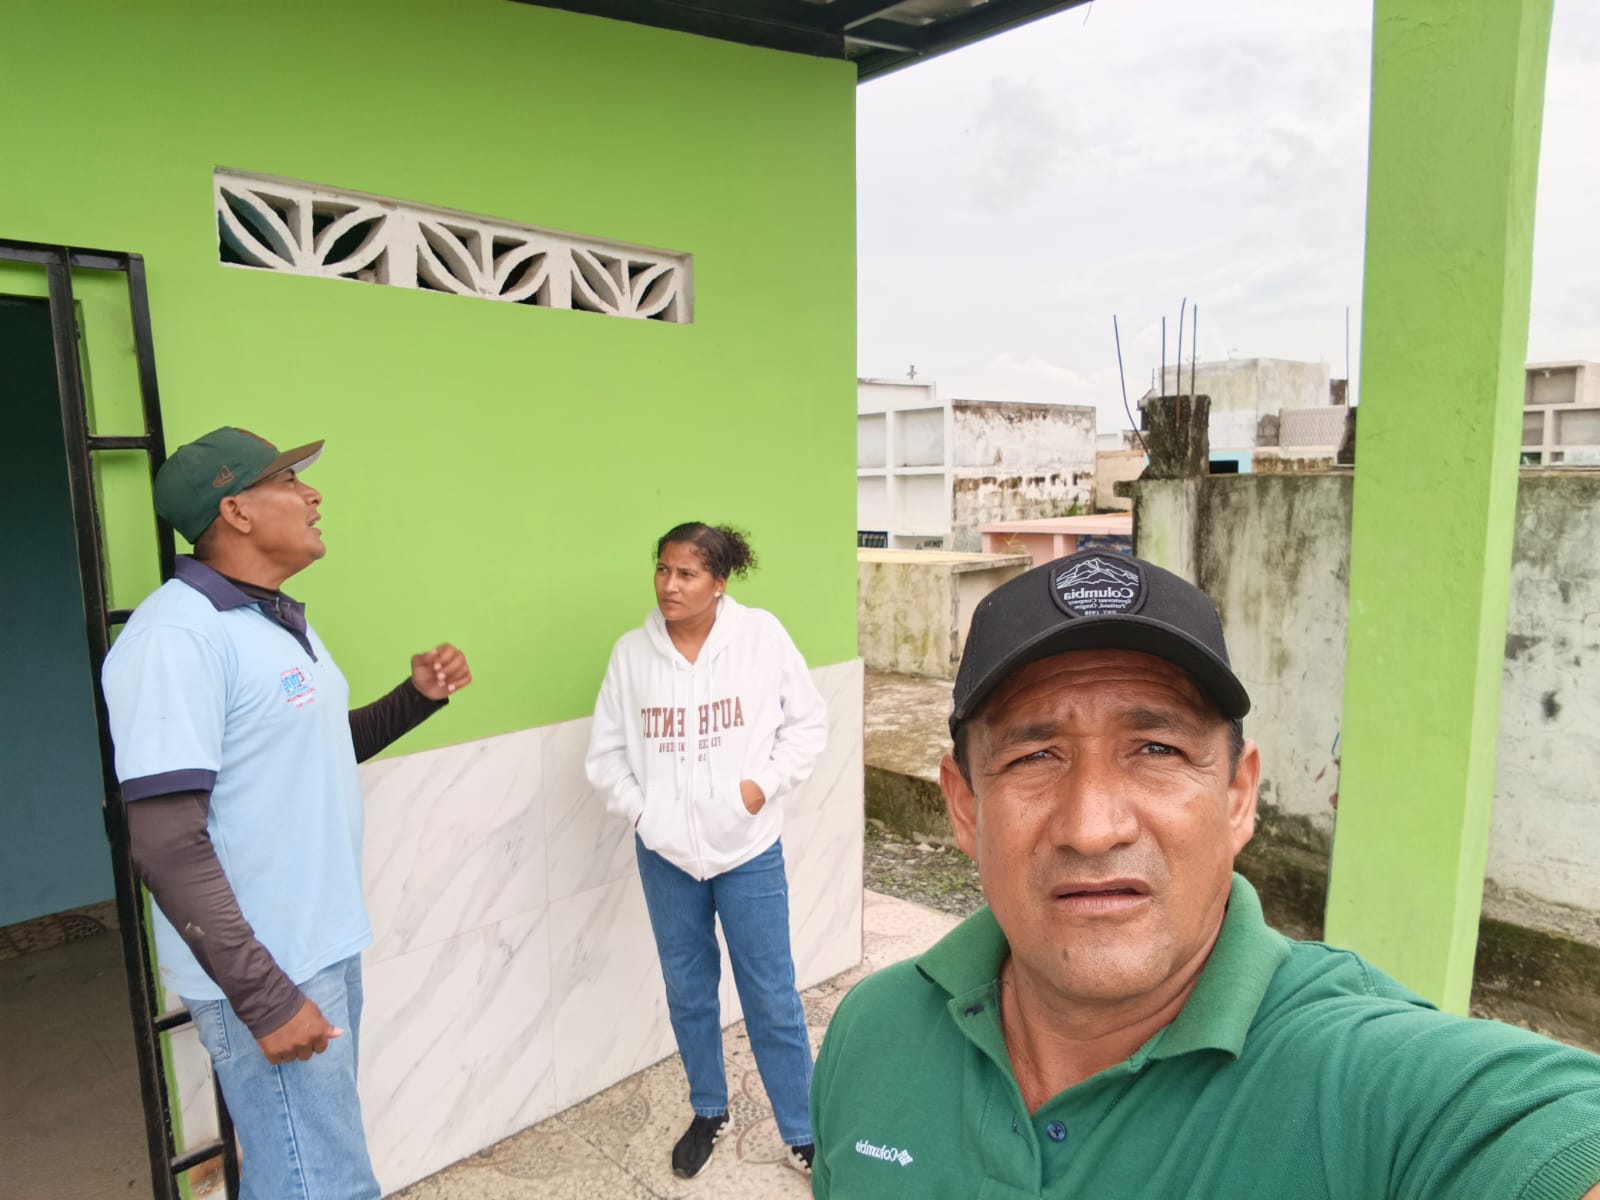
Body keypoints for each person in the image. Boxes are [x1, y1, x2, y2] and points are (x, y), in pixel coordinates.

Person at [810, 549, 1600, 1199]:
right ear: (965, 807)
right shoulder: (873, 1031)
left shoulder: (1369, 1084)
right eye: (1035, 756)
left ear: (1237, 796)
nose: (1092, 827)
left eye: (1157, 749)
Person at [102, 427, 472, 1200]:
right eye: (289, 482)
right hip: (269, 966)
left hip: (318, 945)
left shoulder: (270, 618)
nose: (313, 494)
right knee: (323, 1183)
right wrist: (266, 997)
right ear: (235, 510)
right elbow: (165, 843)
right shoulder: (175, 637)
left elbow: (313, 751)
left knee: (304, 1171)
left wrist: (415, 700)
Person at [586, 522, 828, 1180]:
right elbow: (605, 754)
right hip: (665, 856)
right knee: (689, 991)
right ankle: (708, 1109)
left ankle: (803, 1130)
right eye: (663, 570)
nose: (669, 585)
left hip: (748, 849)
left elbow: (808, 722)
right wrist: (644, 813)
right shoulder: (632, 655)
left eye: (687, 574)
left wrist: (760, 788)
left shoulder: (761, 637)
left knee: (770, 994)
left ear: (719, 583)